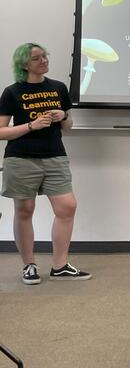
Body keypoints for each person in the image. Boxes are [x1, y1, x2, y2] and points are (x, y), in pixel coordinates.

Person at [0, 43, 91, 284]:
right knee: (25, 210)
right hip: (20, 158)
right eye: (37, 58)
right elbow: (0, 131)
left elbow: (68, 126)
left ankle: (60, 266)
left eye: (44, 56)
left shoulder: (58, 88)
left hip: (55, 156)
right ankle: (28, 265)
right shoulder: (12, 92)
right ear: (24, 65)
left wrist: (64, 117)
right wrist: (31, 125)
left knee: (67, 207)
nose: (43, 61)